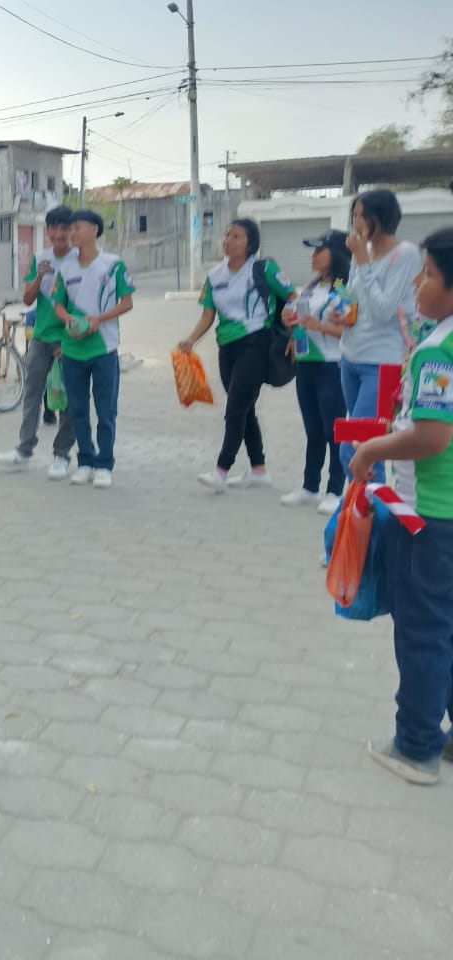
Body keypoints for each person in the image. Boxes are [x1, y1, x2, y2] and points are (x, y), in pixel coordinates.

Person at [347, 227, 453, 785]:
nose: (418, 283)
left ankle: (415, 747)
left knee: (422, 633)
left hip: (427, 516)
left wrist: (371, 450)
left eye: (428, 274)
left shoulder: (439, 350)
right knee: (446, 629)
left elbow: (431, 438)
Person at [178, 218, 295, 493]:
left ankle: (221, 470)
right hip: (227, 347)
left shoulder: (263, 269)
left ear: (250, 243)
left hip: (256, 342)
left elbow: (292, 296)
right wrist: (191, 339)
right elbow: (208, 314)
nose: (228, 241)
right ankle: (259, 470)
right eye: (227, 235)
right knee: (245, 408)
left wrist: (295, 330)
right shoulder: (215, 275)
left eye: (237, 236)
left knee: (235, 409)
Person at [340, 189, 421, 483]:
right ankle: (364, 506)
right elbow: (353, 297)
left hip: (382, 363)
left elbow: (384, 310)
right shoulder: (363, 253)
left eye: (363, 215)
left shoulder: (406, 254)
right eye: (354, 215)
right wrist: (340, 311)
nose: (357, 222)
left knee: (355, 448)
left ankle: (372, 509)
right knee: (366, 446)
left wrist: (363, 262)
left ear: (382, 217)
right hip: (350, 357)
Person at [0, 205, 78, 479]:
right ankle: (24, 449)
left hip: (70, 340)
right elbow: (28, 299)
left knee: (68, 399)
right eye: (53, 228)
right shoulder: (40, 259)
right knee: (31, 395)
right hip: (41, 338)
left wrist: (70, 340)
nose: (58, 234)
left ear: (72, 230)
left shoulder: (80, 259)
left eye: (64, 228)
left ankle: (61, 455)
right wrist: (40, 275)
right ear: (48, 230)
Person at [52, 209, 135, 488]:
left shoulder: (113, 265)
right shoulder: (66, 268)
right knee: (77, 410)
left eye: (77, 227)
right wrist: (69, 320)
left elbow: (127, 302)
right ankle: (85, 461)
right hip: (72, 350)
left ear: (95, 231)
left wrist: (99, 320)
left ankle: (105, 464)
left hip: (103, 349)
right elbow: (58, 305)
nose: (72, 232)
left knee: (105, 410)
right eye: (71, 228)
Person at [279, 231, 351, 515]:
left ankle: (335, 490)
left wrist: (319, 326)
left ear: (337, 254)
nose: (314, 256)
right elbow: (299, 320)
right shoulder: (310, 288)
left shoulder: (345, 289)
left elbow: (350, 331)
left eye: (320, 250)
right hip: (306, 364)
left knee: (334, 431)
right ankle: (310, 487)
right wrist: (289, 322)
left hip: (332, 365)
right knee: (313, 429)